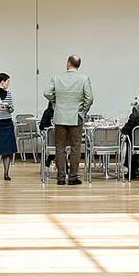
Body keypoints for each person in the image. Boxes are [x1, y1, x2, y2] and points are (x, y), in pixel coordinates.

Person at [44, 54, 92, 185]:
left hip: (60, 116)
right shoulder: (84, 79)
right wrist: (82, 111)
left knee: (60, 147)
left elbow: (47, 93)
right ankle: (73, 177)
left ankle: (60, 177)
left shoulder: (57, 78)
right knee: (75, 147)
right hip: (76, 117)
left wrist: (57, 102)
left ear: (68, 63)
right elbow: (90, 98)